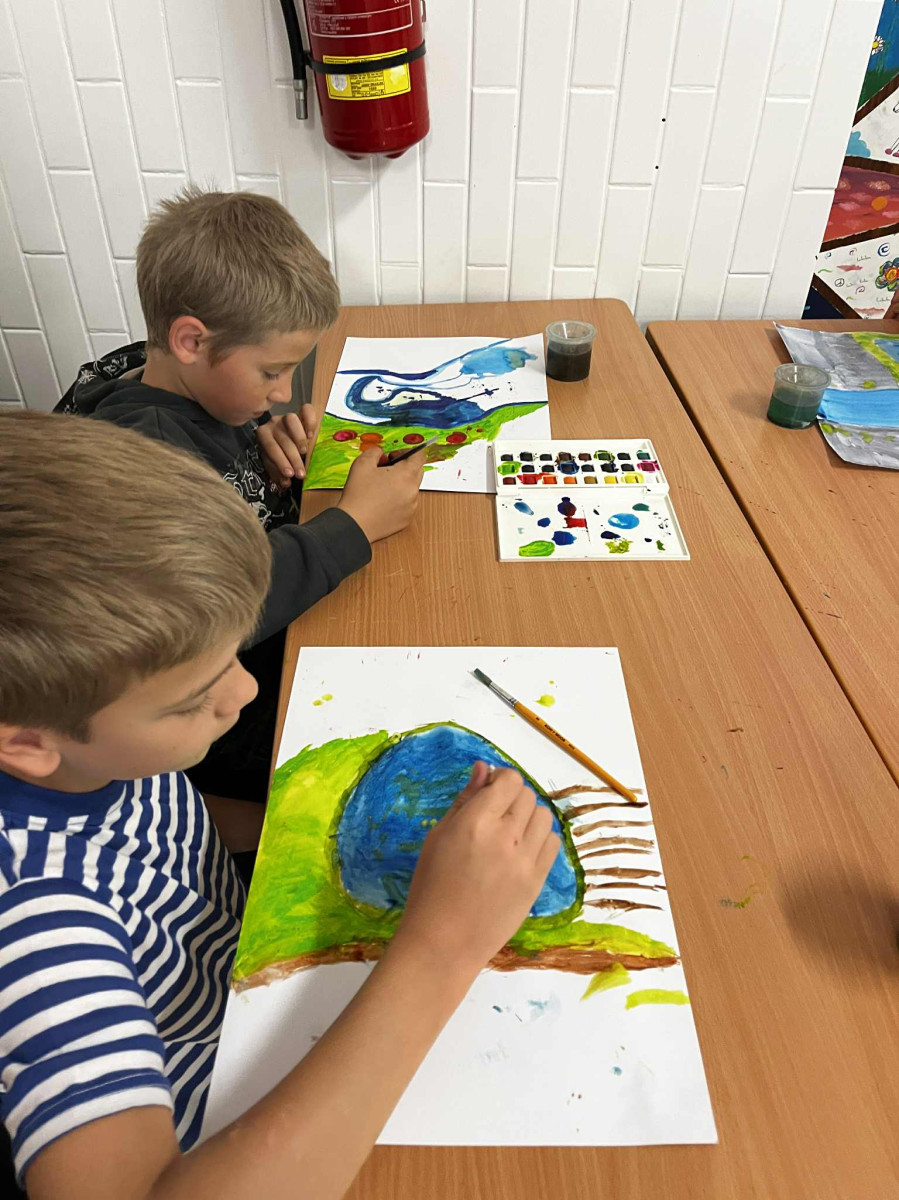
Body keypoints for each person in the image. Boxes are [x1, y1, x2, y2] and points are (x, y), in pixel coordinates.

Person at [0, 413, 558, 1199]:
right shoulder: (30, 920)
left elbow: (156, 834)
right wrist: (442, 944)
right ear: (28, 741)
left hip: (251, 981)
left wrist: (291, 830)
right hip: (244, 1141)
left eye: (231, 654)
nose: (245, 689)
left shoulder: (89, 758)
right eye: (193, 697)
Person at [56, 188, 424, 811]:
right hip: (212, 709)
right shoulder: (142, 464)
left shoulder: (163, 378)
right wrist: (353, 525)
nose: (283, 393)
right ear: (190, 342)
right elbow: (207, 613)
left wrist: (262, 446)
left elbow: (218, 481)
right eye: (271, 372)